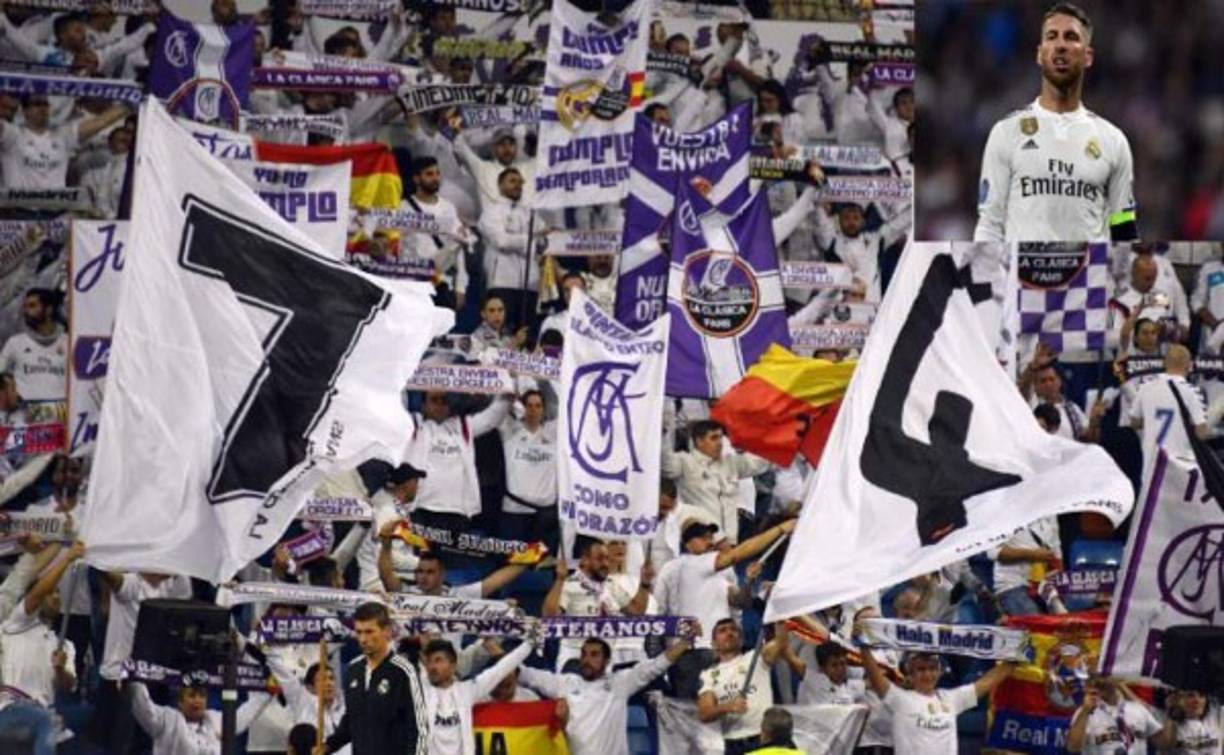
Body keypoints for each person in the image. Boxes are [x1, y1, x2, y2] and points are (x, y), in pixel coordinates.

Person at [974, 2, 1137, 242]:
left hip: (1089, 267)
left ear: (1088, 57)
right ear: (1040, 54)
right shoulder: (1006, 133)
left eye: (1071, 37)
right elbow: (989, 226)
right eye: (1052, 37)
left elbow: (1124, 229)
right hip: (1023, 267)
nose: (1060, 45)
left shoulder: (1113, 141)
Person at [656, 518, 795, 698]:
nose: (710, 542)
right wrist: (780, 529)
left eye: (710, 537)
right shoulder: (679, 566)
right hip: (691, 653)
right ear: (686, 543)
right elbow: (736, 555)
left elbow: (740, 602)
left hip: (723, 652)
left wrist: (748, 581)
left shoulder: (722, 570)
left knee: (724, 708)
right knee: (694, 710)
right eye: (702, 537)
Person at [858, 608, 1017, 755]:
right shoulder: (899, 699)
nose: (927, 674)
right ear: (910, 674)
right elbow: (875, 675)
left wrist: (1017, 654)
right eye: (921, 669)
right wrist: (863, 645)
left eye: (932, 668)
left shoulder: (952, 698)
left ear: (940, 672)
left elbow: (988, 681)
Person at [518, 634, 694, 755]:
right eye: (583, 654)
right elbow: (526, 675)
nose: (586, 660)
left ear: (607, 661)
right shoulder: (566, 683)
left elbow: (657, 665)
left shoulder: (620, 683)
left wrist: (687, 640)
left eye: (594, 655)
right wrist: (499, 648)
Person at [0, 540, 83, 754]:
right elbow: (36, 594)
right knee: (48, 721)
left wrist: (60, 669)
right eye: (51, 592)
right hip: (8, 708)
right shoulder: (16, 623)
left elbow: (69, 685)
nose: (55, 597)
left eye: (58, 594)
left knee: (59, 728)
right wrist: (67, 558)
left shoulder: (65, 645)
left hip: (40, 718)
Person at [321, 602, 429, 755]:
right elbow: (352, 719)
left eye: (369, 632)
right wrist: (328, 745)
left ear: (387, 631)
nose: (363, 639)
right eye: (359, 632)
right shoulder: (353, 670)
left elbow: (420, 728)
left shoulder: (404, 671)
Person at [404, 391, 510, 532]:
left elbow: (491, 419)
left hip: (457, 512)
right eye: (434, 400)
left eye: (444, 401)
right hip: (422, 509)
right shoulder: (414, 425)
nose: (440, 405)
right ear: (423, 405)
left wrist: (506, 396)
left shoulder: (463, 426)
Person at [418, 637, 534, 755]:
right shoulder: (420, 691)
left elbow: (502, 668)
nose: (432, 667)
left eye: (438, 660)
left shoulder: (467, 691)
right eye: (429, 662)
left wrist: (530, 643)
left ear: (453, 665)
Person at [661, 420, 771, 543]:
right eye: (713, 438)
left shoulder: (731, 463)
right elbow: (665, 463)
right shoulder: (685, 462)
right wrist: (662, 434)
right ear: (699, 441)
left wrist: (772, 435)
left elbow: (759, 463)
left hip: (730, 541)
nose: (719, 443)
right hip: (700, 541)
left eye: (720, 437)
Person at [697, 619, 794, 755]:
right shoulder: (708, 675)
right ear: (714, 644)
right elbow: (704, 713)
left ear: (742, 640)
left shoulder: (756, 658)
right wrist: (728, 707)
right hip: (734, 744)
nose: (729, 633)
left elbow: (781, 642)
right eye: (722, 631)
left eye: (733, 629)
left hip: (764, 738)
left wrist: (778, 617)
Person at [130, 680, 271, 755]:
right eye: (191, 696)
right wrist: (133, 679)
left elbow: (243, 716)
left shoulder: (215, 719)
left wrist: (269, 691)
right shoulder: (167, 720)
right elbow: (143, 706)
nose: (197, 701)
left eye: (202, 696)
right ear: (180, 702)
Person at [1127, 345, 1208, 465]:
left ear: (1164, 363)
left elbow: (1134, 422)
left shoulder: (1145, 387)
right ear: (1189, 365)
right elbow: (1201, 433)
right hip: (1181, 462)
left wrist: (1152, 420)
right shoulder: (1192, 392)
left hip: (1151, 461)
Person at [478, 167, 539, 327]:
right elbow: (501, 241)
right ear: (500, 185)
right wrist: (530, 240)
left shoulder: (530, 213)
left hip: (530, 284)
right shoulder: (491, 211)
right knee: (502, 332)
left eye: (520, 182)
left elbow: (543, 241)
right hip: (501, 282)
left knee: (526, 334)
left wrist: (532, 242)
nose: (517, 185)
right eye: (512, 181)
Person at [497, 389, 558, 548]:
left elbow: (569, 410)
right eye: (529, 406)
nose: (533, 410)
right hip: (514, 512)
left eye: (538, 406)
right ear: (522, 408)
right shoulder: (510, 431)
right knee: (512, 560)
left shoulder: (554, 435)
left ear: (544, 409)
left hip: (544, 515)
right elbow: (496, 410)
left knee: (540, 561)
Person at [543, 536, 611, 671]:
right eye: (599, 559)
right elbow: (549, 617)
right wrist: (559, 580)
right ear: (584, 560)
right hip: (575, 656)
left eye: (607, 558)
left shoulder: (612, 585)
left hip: (605, 656)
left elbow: (637, 612)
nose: (605, 564)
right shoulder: (570, 584)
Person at [1066, 675, 1176, 753]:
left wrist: (1172, 714)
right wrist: (1086, 711)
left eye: (1104, 677)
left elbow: (1165, 745)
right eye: (1097, 680)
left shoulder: (1138, 709)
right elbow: (1072, 747)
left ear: (1116, 679)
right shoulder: (1086, 712)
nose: (1101, 682)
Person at [1019, 342, 1104, 441]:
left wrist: (1094, 423)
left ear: (1059, 382)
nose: (1048, 384)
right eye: (1043, 381)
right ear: (1036, 386)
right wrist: (1033, 366)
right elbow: (1022, 393)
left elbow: (1088, 440)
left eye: (1051, 379)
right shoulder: (1032, 405)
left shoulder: (1072, 409)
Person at [0, 289, 68, 404]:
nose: (26, 311)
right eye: (25, 307)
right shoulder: (15, 343)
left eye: (32, 306)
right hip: (27, 410)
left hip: (62, 409)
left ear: (49, 309)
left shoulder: (69, 342)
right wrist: (8, 392)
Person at [988, 516, 1063, 616]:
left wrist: (1060, 583)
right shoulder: (1003, 513)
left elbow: (1056, 549)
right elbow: (994, 553)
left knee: (1062, 622)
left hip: (1044, 585)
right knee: (1035, 624)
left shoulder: (1050, 511)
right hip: (1013, 584)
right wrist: (1033, 555)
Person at [1163, 689, 1222, 755]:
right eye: (1190, 695)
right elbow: (1166, 746)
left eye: (1201, 695)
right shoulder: (1171, 725)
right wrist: (1172, 712)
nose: (1197, 700)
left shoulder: (1213, 715)